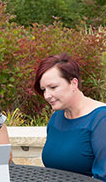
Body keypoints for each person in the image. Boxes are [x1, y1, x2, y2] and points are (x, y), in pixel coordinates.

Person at [34, 53, 106, 181]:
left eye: (53, 87)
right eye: (44, 89)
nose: (47, 95)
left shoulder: (101, 120)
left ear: (73, 83)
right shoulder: (57, 117)